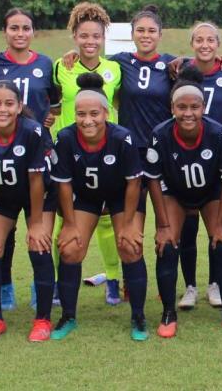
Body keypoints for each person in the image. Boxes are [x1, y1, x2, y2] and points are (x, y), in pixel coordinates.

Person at [144, 66, 222, 337]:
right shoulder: (160, 134)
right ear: (172, 108)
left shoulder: (218, 133)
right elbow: (153, 179)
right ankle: (168, 313)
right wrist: (163, 224)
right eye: (181, 107)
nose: (188, 113)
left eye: (194, 107)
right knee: (166, 243)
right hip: (175, 193)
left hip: (211, 192)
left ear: (203, 107)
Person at [51, 73, 144, 340]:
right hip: (86, 197)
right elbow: (64, 185)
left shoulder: (122, 138)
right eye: (81, 114)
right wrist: (69, 225)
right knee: (69, 249)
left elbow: (134, 184)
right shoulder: (66, 137)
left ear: (106, 113)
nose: (87, 120)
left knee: (130, 246)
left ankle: (138, 317)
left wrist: (126, 225)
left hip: (120, 196)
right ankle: (68, 315)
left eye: (94, 113)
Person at [0, 81, 56, 343]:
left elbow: (37, 180)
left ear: (18, 107)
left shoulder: (33, 131)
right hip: (2, 198)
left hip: (38, 196)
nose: (2, 109)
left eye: (8, 103)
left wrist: (36, 223)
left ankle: (42, 319)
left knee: (39, 245)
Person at [0, 8, 60, 312]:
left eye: (25, 28)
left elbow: (53, 104)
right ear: (5, 31)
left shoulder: (44, 63)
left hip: (37, 150)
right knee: (5, 227)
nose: (19, 33)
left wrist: (43, 122)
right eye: (13, 27)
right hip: (1, 152)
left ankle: (40, 288)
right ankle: (4, 287)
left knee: (39, 224)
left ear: (33, 32)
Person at [51, 2, 124, 307]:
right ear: (75, 36)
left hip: (105, 154)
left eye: (96, 36)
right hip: (69, 155)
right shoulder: (61, 67)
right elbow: (50, 102)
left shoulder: (115, 70)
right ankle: (58, 282)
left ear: (103, 37)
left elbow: (120, 103)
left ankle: (113, 278)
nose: (90, 41)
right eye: (84, 35)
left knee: (107, 221)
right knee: (61, 221)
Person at [178, 22, 222, 307]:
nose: (205, 44)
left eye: (210, 39)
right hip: (185, 155)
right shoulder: (179, 69)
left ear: (218, 43)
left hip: (216, 154)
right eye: (199, 39)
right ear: (191, 43)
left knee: (217, 226)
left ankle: (214, 283)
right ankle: (189, 286)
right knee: (187, 227)